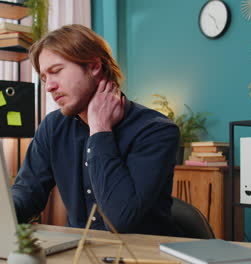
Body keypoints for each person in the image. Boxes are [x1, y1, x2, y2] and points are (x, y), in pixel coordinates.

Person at [11, 24, 180, 236]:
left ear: (93, 66)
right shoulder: (53, 127)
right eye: (45, 78)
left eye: (56, 71)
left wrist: (100, 130)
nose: (49, 87)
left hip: (140, 253)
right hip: (77, 251)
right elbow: (28, 192)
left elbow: (121, 222)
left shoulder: (156, 131)